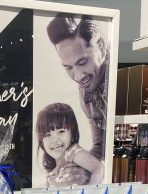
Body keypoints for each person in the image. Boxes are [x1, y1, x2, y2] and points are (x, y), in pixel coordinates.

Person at [47, 14, 109, 160]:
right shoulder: (85, 91)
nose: (78, 76)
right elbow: (100, 147)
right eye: (68, 67)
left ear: (100, 47)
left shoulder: (120, 79)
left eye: (82, 62)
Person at [37, 103, 104, 187]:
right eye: (48, 135)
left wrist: (90, 191)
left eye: (61, 131)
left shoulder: (72, 152)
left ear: (72, 133)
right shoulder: (55, 167)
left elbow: (98, 168)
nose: (55, 140)